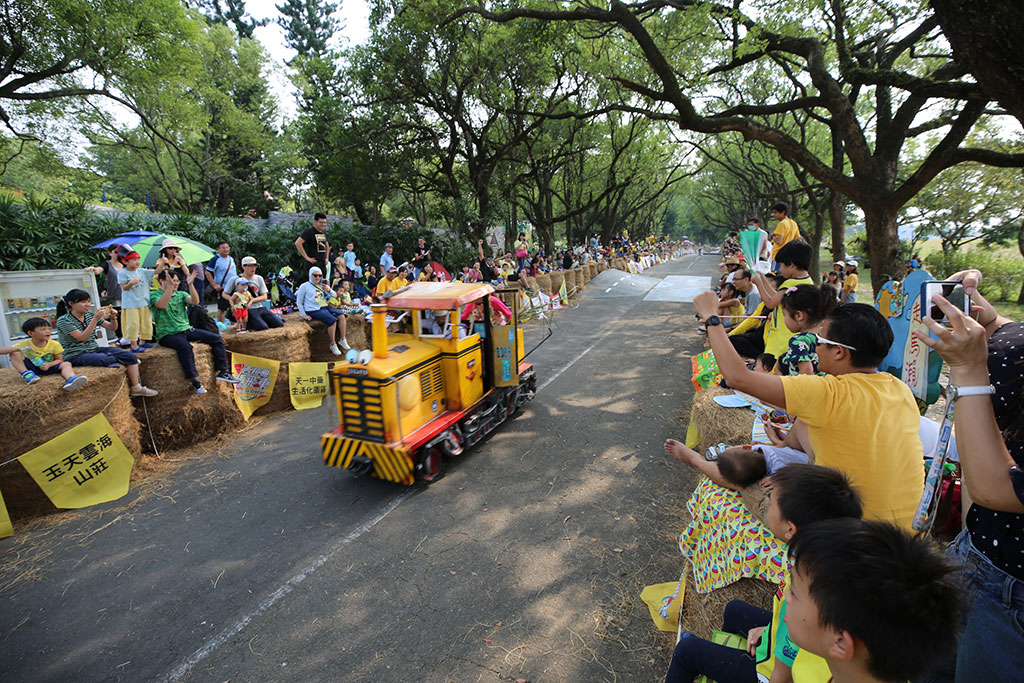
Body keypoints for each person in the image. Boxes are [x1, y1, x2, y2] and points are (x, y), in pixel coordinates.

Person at [694, 291, 925, 529]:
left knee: (748, 482)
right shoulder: (900, 389)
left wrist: (712, 317)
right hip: (906, 529)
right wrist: (786, 445)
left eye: (820, 342)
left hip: (851, 534)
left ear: (839, 352)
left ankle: (696, 460)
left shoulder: (826, 392)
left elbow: (737, 377)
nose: (815, 348)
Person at [913, 279, 1024, 683]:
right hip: (973, 554)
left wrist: (969, 370)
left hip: (1011, 593)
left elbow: (998, 488)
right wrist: (991, 321)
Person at [665, 465, 862, 683]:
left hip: (774, 673)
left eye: (770, 502)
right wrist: (769, 631)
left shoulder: (806, 592)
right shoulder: (818, 561)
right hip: (789, 647)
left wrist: (776, 642)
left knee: (687, 650)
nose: (765, 505)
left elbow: (783, 671)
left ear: (790, 529)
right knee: (734, 610)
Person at [785, 519, 965, 683]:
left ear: (840, 642)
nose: (786, 595)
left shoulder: (817, 661)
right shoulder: (826, 655)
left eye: (793, 592)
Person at [151, 269, 238, 395]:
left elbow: (195, 301)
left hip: (185, 329)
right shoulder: (154, 295)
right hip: (167, 334)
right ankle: (196, 383)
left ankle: (223, 371)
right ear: (161, 281)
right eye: (172, 281)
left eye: (176, 281)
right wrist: (169, 288)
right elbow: (162, 305)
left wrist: (190, 285)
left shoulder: (180, 294)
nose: (175, 284)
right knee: (185, 347)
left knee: (216, 338)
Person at [55, 289, 158, 397]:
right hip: (75, 354)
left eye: (88, 301)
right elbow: (82, 338)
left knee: (130, 356)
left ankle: (136, 387)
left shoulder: (89, 315)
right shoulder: (64, 320)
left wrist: (113, 318)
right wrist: (95, 319)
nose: (87, 305)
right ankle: (120, 362)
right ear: (71, 304)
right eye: (83, 302)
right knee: (106, 359)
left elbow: (112, 327)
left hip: (93, 349)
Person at [752, 240, 814, 360]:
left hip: (780, 338)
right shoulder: (807, 281)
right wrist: (764, 279)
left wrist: (758, 283)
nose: (780, 269)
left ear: (791, 264)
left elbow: (770, 303)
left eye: (781, 265)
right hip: (791, 335)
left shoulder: (791, 283)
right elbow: (777, 298)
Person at [1, 317, 87, 390]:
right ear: (31, 333)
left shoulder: (54, 344)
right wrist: (18, 348)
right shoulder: (25, 344)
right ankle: (27, 375)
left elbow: (59, 360)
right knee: (14, 353)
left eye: (49, 329)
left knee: (66, 364)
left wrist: (49, 364)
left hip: (49, 367)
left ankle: (71, 379)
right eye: (43, 329)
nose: (48, 331)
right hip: (32, 369)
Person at [774, 284, 838, 376]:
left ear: (798, 315)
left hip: (808, 388)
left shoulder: (799, 341)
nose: (784, 318)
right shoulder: (829, 336)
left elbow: (806, 372)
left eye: (784, 314)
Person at [296, 266, 350, 355]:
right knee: (332, 320)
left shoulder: (322, 285)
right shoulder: (304, 286)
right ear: (310, 275)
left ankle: (343, 339)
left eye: (319, 275)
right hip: (313, 309)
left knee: (341, 314)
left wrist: (328, 289)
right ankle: (332, 343)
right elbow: (299, 302)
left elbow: (333, 295)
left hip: (324, 306)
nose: (317, 277)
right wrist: (304, 315)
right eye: (315, 275)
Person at [222, 256, 283, 332]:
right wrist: (234, 300)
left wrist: (252, 300)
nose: (253, 268)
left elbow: (264, 296)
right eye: (250, 266)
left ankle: (252, 322)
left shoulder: (259, 278)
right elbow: (224, 294)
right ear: (243, 267)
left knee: (279, 324)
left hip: (259, 307)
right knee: (262, 327)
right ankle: (243, 324)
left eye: (254, 266)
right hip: (246, 309)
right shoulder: (235, 279)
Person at [116, 249, 154, 353]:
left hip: (144, 302)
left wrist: (163, 262)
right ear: (125, 262)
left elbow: (157, 272)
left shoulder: (142, 271)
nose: (137, 262)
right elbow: (124, 287)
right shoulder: (122, 273)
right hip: (130, 304)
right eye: (133, 260)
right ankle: (134, 346)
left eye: (138, 259)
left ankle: (143, 341)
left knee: (146, 323)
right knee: (133, 324)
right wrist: (131, 283)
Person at [205, 240, 237, 324]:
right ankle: (221, 326)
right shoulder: (215, 259)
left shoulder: (231, 258)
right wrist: (214, 284)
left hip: (234, 286)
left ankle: (232, 325)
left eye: (227, 247)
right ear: (218, 249)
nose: (226, 249)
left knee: (233, 306)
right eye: (223, 248)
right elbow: (207, 272)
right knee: (222, 308)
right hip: (223, 288)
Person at [769, 202, 801, 270]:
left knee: (775, 278)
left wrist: (773, 236)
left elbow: (779, 241)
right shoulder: (793, 223)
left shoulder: (782, 224)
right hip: (789, 256)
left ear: (783, 212)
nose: (774, 215)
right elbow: (798, 239)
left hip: (778, 255)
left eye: (775, 212)